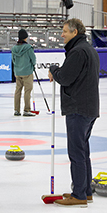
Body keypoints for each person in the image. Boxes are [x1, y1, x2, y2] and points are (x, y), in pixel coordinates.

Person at [48, 18, 100, 208]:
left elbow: (65, 78)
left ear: (74, 32)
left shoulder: (78, 51)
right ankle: (85, 190)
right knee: (83, 151)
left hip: (79, 108)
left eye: (65, 31)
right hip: (88, 107)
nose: (62, 35)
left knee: (76, 152)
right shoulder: (88, 49)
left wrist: (54, 69)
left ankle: (79, 194)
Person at [12, 29, 36, 116]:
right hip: (27, 72)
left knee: (18, 91)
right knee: (27, 91)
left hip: (18, 72)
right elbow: (33, 59)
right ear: (26, 37)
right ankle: (27, 109)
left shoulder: (14, 48)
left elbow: (13, 60)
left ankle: (16, 110)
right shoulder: (28, 48)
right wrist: (33, 65)